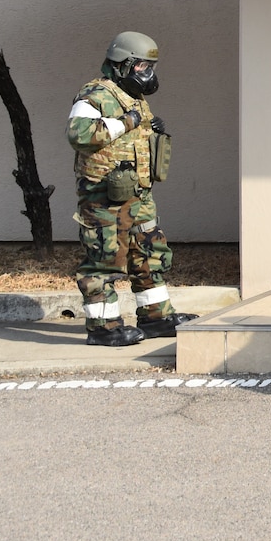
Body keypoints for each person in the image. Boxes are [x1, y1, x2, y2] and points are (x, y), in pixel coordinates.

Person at [66, 32, 194, 347]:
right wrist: (128, 121)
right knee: (104, 259)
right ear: (122, 64)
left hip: (138, 195)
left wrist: (150, 129)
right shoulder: (95, 95)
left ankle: (156, 318)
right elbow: (79, 134)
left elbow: (135, 138)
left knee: (150, 253)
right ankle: (104, 327)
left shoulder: (134, 98)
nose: (148, 74)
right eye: (141, 66)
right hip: (103, 198)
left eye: (150, 66)